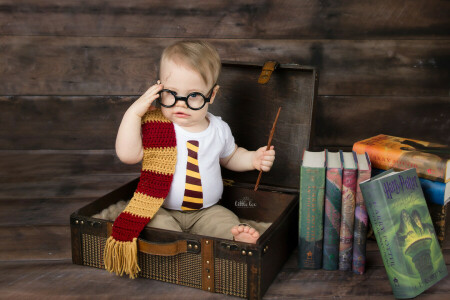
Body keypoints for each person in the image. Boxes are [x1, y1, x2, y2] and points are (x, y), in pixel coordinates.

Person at [115, 40, 275, 244]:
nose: (180, 103)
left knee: (225, 221)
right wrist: (133, 113)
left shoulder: (218, 129)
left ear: (212, 95)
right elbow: (127, 155)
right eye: (171, 94)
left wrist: (253, 159)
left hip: (206, 211)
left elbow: (231, 156)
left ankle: (235, 237)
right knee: (158, 228)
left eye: (194, 96)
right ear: (159, 89)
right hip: (161, 208)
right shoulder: (157, 126)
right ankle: (175, 242)